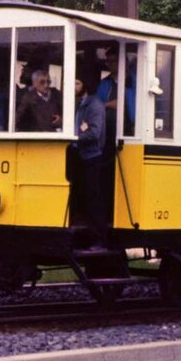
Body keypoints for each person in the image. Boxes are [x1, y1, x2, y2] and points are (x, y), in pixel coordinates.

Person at [71, 76, 108, 246]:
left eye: (77, 82)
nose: (73, 86)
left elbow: (94, 133)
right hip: (80, 156)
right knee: (82, 197)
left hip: (92, 157)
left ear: (85, 85)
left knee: (93, 198)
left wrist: (74, 138)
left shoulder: (94, 105)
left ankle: (99, 238)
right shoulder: (79, 103)